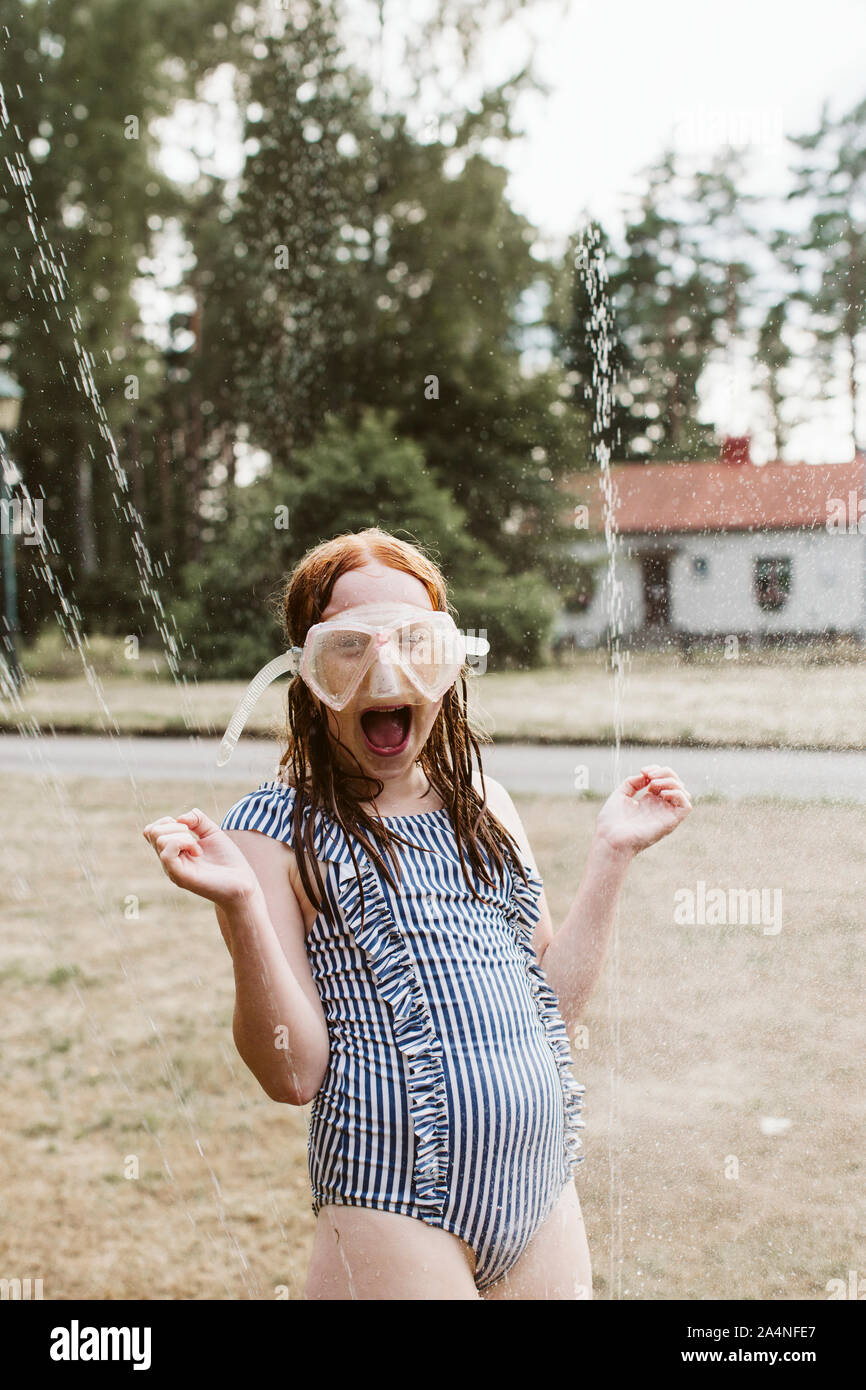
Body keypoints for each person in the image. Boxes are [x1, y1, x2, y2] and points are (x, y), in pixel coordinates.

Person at [143, 527, 692, 1300]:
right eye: (350, 647)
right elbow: (293, 1074)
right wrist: (239, 908)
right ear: (307, 674)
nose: (385, 669)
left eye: (414, 642)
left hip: (537, 1188)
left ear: (447, 665)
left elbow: (549, 1010)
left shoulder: (484, 804)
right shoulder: (272, 830)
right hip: (389, 1199)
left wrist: (611, 856)